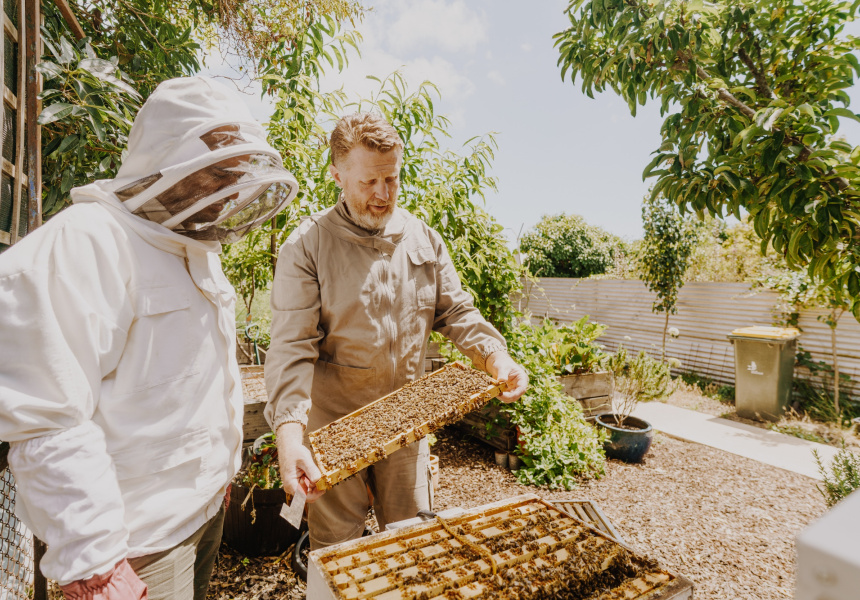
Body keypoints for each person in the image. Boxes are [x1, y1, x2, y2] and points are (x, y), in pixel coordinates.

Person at [0, 76, 299, 599]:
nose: (227, 189)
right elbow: (47, 418)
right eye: (217, 173)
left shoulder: (194, 248)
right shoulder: (85, 243)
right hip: (131, 547)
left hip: (198, 516)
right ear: (171, 159)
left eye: (234, 174)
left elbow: (196, 381)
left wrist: (219, 475)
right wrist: (96, 566)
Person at [264, 112, 528, 550]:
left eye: (392, 179)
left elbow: (457, 310)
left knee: (411, 545)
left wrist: (494, 356)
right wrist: (289, 434)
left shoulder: (424, 239)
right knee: (339, 553)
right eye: (368, 182)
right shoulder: (307, 245)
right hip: (335, 429)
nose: (382, 194)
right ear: (337, 175)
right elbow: (292, 347)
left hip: (408, 422)